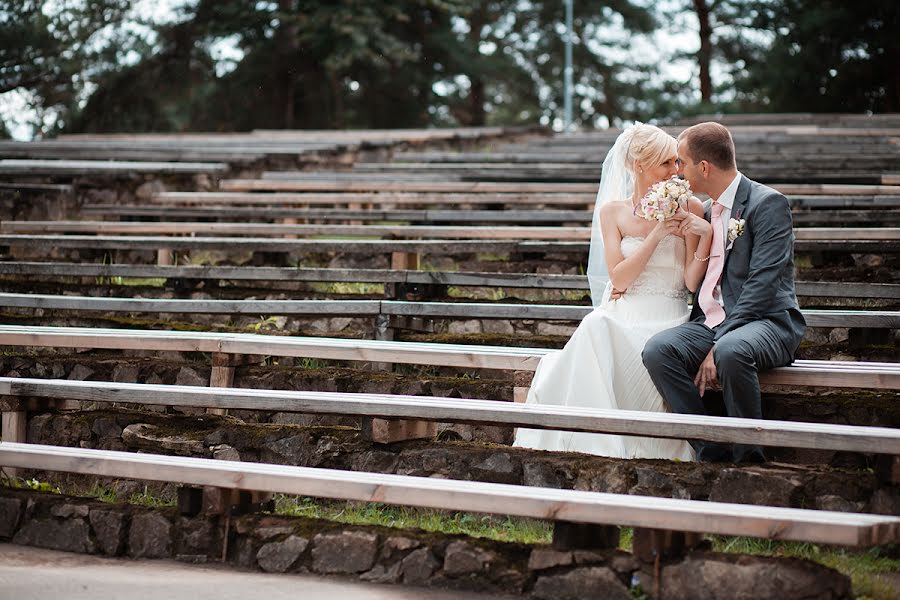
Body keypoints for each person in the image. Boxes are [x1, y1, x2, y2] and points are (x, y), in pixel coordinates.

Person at [514, 123, 713, 460]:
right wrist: (657, 234)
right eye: (666, 163)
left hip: (669, 316)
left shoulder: (690, 206)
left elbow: (691, 283)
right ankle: (592, 445)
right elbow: (619, 280)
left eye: (677, 163)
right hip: (627, 308)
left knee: (605, 334)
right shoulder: (613, 213)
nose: (675, 172)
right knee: (596, 327)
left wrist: (704, 233)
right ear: (640, 165)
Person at [642, 122, 806, 464]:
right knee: (658, 350)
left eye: (682, 163)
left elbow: (762, 286)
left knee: (731, 351)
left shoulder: (767, 204)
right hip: (711, 321)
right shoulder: (705, 209)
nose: (677, 171)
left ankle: (750, 457)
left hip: (768, 321)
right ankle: (709, 448)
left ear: (704, 167)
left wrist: (719, 342)